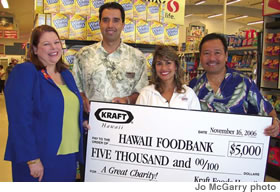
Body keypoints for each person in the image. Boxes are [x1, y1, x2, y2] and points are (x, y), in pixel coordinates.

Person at [73, 2, 148, 181]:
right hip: (91, 131)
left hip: (126, 133)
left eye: (115, 20)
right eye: (105, 20)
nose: (110, 25)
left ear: (123, 24)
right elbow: (76, 89)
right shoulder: (83, 55)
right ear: (99, 23)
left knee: (123, 178)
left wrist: (128, 100)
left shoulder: (137, 58)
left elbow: (142, 93)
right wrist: (82, 97)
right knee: (91, 177)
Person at [4, 25, 84, 182]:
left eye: (56, 42)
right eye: (46, 44)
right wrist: (32, 159)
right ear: (34, 49)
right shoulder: (26, 72)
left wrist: (83, 121)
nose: (53, 47)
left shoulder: (66, 74)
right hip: (39, 157)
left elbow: (68, 108)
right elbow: (19, 120)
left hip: (68, 155)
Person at [189, 33, 279, 137]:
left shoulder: (243, 82)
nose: (212, 58)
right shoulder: (193, 85)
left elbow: (267, 110)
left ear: (226, 55)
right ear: (200, 57)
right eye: (206, 53)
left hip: (235, 148)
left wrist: (275, 122)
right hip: (202, 147)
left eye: (217, 53)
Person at [136, 46, 201, 110]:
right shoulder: (146, 93)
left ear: (176, 66)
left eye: (168, 63)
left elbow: (197, 119)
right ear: (154, 68)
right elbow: (138, 119)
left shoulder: (188, 93)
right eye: (159, 63)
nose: (164, 68)